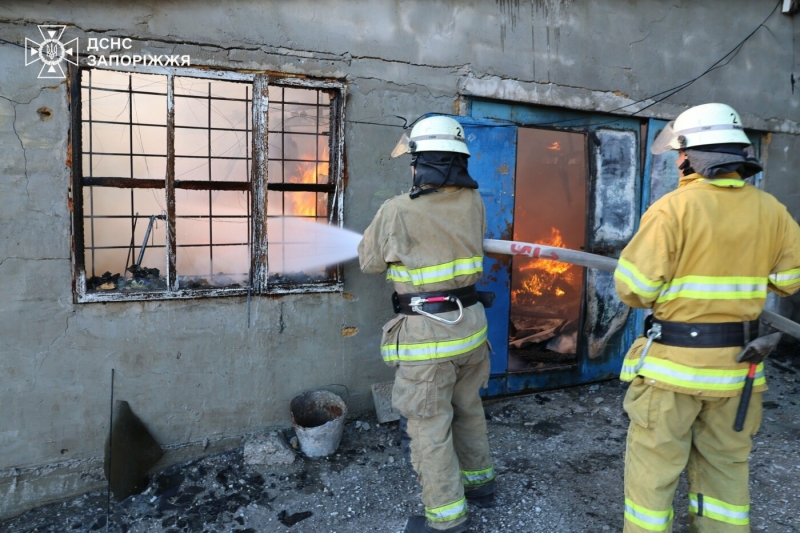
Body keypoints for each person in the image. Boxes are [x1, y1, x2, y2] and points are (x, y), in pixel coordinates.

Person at [614, 102, 800, 532]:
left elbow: (635, 290)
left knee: (654, 474)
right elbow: (788, 281)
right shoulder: (772, 210)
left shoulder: (672, 209)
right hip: (738, 371)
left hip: (672, 372)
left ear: (690, 155)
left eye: (679, 153)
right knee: (725, 471)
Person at [358, 115, 496, 533]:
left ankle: (447, 519)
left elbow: (369, 262)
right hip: (471, 330)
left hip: (428, 339)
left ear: (425, 163)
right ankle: (480, 484)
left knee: (428, 427)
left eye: (413, 161)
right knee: (467, 409)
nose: (411, 168)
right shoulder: (474, 201)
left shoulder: (397, 209)